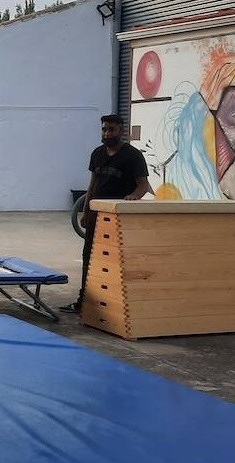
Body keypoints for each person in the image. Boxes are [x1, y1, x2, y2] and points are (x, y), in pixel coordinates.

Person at [60, 114, 152, 314]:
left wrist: (132, 198)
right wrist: (85, 212)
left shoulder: (132, 156)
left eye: (111, 129)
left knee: (114, 261)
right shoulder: (97, 154)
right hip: (96, 216)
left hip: (118, 221)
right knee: (90, 259)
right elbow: (92, 185)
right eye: (104, 129)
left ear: (121, 131)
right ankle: (83, 301)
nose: (107, 133)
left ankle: (115, 305)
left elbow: (143, 185)